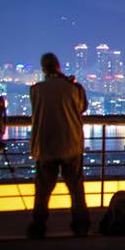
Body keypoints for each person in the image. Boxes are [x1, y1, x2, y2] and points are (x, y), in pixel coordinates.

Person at [26, 53, 90, 239]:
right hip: (71, 145)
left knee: (43, 190)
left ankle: (38, 226)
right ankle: (80, 226)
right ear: (59, 66)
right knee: (76, 188)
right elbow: (82, 107)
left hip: (45, 146)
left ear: (43, 69)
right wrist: (70, 83)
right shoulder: (74, 88)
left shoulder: (36, 90)